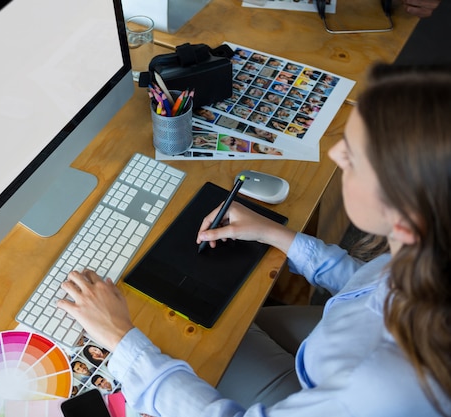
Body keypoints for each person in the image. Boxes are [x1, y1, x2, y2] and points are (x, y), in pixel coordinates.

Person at [57, 64, 451, 416]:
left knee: (180, 340)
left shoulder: (375, 388)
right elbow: (368, 284)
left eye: (352, 156)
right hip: (338, 339)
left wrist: (120, 338)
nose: (333, 152)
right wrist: (274, 233)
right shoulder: (429, 247)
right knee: (232, 322)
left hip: (326, 387)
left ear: (403, 218)